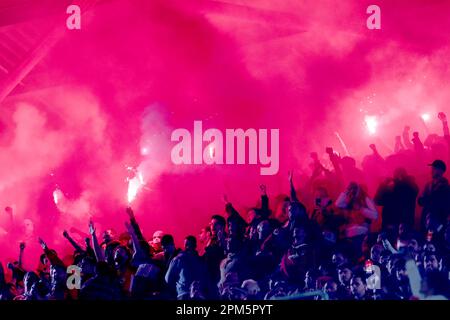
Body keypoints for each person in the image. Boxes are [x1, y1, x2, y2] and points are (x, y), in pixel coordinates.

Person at [165, 236, 206, 300]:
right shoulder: (201, 260)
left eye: (187, 244)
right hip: (199, 294)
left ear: (184, 245)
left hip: (183, 294)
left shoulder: (178, 259)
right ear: (195, 246)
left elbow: (168, 279)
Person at [418, 160, 450, 233]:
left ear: (440, 170)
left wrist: (426, 200)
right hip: (426, 221)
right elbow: (421, 200)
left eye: (434, 168)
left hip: (438, 222)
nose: (431, 171)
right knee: (427, 241)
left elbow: (443, 205)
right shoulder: (429, 184)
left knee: (435, 241)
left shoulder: (445, 187)